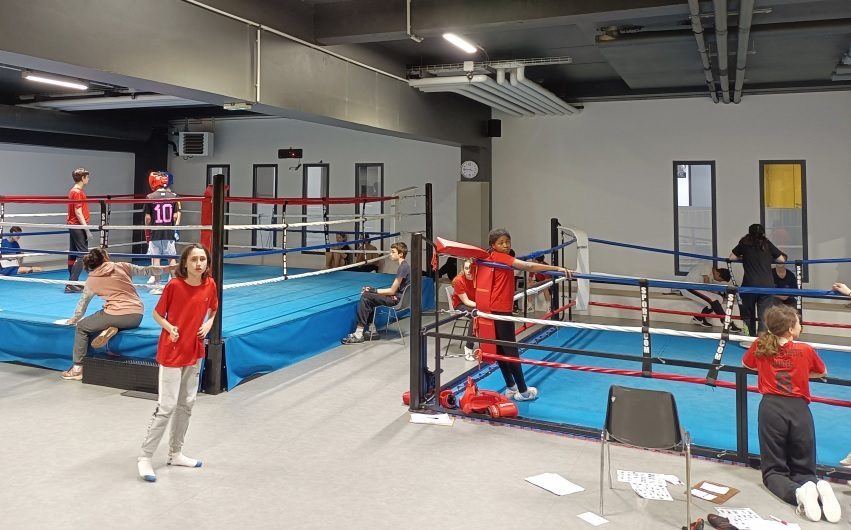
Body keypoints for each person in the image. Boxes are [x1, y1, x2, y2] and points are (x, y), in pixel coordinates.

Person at [742, 304, 839, 523]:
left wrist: (769, 367)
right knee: (804, 467)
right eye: (798, 322)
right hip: (799, 409)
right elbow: (822, 371)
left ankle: (799, 495)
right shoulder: (805, 350)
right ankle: (815, 489)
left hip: (771, 408)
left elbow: (747, 364)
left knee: (774, 471)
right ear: (789, 330)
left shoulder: (760, 345)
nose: (801, 325)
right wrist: (801, 372)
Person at [137, 244, 219, 483]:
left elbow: (213, 309)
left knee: (187, 404)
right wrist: (169, 327)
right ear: (185, 263)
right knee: (167, 406)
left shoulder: (210, 284)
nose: (199, 264)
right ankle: (145, 456)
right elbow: (157, 314)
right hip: (172, 351)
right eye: (194, 259)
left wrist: (209, 324)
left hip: (194, 350)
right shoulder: (174, 285)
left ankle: (175, 452)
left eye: (203, 259)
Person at [480, 228, 571, 401]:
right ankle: (523, 391)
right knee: (511, 351)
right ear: (493, 245)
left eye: (507, 242)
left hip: (491, 309)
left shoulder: (490, 256)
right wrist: (557, 268)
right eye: (501, 243)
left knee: (500, 349)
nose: (505, 245)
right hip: (500, 310)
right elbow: (528, 266)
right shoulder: (501, 257)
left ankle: (510, 386)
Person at [60, 248, 172, 381]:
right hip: (136, 316)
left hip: (115, 314)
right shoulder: (122, 266)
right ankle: (112, 328)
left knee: (82, 327)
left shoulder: (91, 280)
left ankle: (77, 369)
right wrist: (170, 268)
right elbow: (147, 270)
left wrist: (75, 318)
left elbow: (83, 303)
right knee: (107, 316)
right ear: (106, 258)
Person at [341, 241, 409, 344]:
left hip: (395, 300)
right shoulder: (405, 266)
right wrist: (372, 291)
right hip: (398, 298)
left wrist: (372, 290)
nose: (390, 254)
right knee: (370, 297)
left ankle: (359, 333)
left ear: (401, 254)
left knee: (365, 297)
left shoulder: (403, 267)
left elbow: (391, 291)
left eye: (393, 252)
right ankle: (372, 330)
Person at [730, 223, 785, 336]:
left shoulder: (744, 243)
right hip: (767, 285)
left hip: (749, 285)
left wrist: (743, 257)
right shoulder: (766, 243)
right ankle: (761, 344)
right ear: (763, 233)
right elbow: (781, 259)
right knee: (763, 316)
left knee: (748, 314)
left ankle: (748, 340)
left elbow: (731, 258)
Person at [144, 171, 181, 295]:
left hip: (155, 232)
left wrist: (147, 230)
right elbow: (175, 216)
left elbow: (148, 218)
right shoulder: (173, 196)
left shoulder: (150, 197)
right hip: (168, 232)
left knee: (156, 259)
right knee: (172, 259)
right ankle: (175, 285)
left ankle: (157, 286)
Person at [681, 261, 742, 332]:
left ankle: (698, 318)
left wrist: (722, 295)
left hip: (697, 288)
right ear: (718, 274)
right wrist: (713, 294)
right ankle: (727, 323)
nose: (719, 282)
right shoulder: (707, 266)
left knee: (719, 299)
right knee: (713, 299)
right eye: (721, 280)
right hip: (688, 287)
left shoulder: (711, 276)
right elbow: (706, 283)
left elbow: (708, 289)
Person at [66, 167, 92, 293]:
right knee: (82, 255)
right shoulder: (77, 192)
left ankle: (72, 282)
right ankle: (71, 283)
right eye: (87, 177)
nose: (89, 179)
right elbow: (78, 211)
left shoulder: (73, 191)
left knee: (73, 253)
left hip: (74, 225)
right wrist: (86, 228)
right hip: (78, 226)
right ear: (83, 178)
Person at [450, 259, 477, 361]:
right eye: (466, 268)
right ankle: (469, 347)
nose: (469, 271)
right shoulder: (459, 280)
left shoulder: (478, 278)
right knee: (476, 316)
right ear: (463, 269)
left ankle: (492, 345)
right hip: (460, 305)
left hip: (473, 303)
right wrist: (481, 306)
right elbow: (466, 301)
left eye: (471, 268)